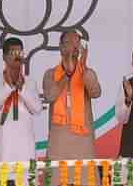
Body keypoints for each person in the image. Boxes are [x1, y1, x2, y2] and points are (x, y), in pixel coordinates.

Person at [43, 31, 101, 160]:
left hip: (83, 145)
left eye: (77, 44)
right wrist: (67, 75)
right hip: (58, 145)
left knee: (86, 180)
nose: (73, 48)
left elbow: (96, 92)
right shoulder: (50, 74)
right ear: (61, 47)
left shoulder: (87, 73)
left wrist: (83, 68)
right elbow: (49, 96)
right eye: (69, 43)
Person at [0, 37, 43, 162]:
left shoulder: (30, 82)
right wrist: (8, 87)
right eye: (13, 52)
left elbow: (38, 109)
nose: (17, 56)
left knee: (26, 179)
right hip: (3, 145)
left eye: (20, 52)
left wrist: (22, 89)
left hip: (25, 146)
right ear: (4, 57)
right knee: (2, 180)